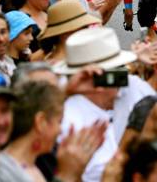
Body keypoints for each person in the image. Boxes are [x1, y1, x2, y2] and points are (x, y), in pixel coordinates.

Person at [53, 27, 138, 181]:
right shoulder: (75, 123)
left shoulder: (95, 112)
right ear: (99, 77)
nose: (124, 78)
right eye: (118, 71)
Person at [6, 81, 108, 182]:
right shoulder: (7, 171)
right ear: (41, 122)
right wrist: (66, 174)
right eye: (59, 121)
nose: (60, 130)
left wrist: (77, 170)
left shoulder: (30, 165)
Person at [37, 0, 102, 64]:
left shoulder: (50, 58)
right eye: (84, 26)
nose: (86, 30)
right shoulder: (69, 64)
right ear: (67, 32)